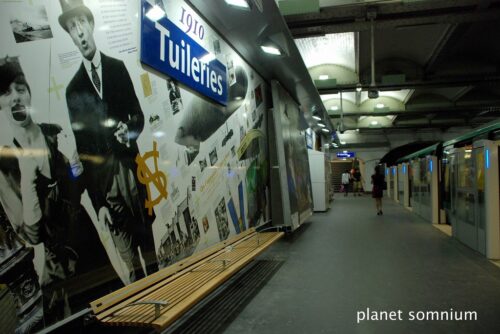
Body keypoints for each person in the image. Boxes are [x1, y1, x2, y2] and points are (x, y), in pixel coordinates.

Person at [0, 57, 110, 325]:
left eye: (20, 87)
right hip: (61, 265)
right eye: (5, 92)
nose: (15, 96)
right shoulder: (6, 164)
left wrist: (76, 170)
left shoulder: (53, 133)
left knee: (116, 308)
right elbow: (33, 235)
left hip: (87, 238)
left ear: (29, 92)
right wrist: (27, 175)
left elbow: (75, 188)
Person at [58, 0, 158, 283]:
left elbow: (138, 116)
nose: (78, 32)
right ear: (70, 35)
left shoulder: (117, 68)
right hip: (105, 186)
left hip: (131, 173)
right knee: (130, 263)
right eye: (71, 27)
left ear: (91, 25)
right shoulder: (72, 90)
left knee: (149, 250)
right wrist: (98, 202)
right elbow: (83, 151)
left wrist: (128, 131)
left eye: (81, 23)